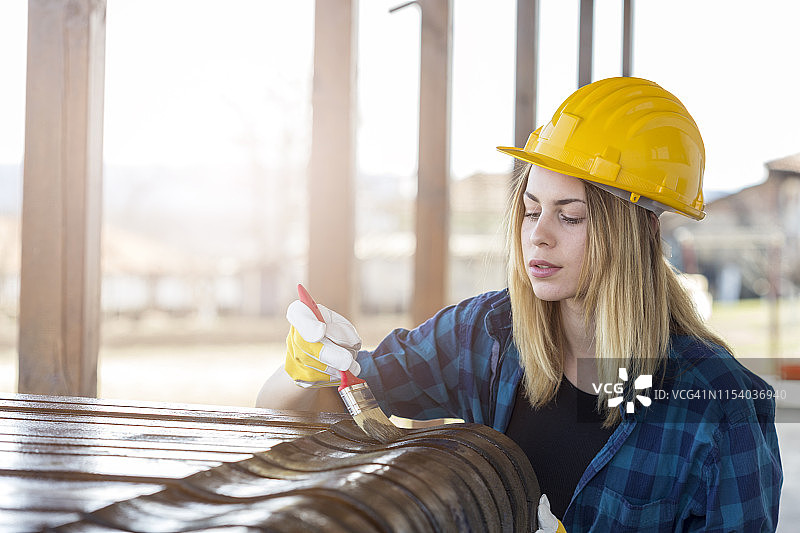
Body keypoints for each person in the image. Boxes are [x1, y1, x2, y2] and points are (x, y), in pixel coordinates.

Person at [257, 77, 782, 532]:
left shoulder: (720, 407)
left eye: (570, 216)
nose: (539, 237)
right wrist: (306, 367)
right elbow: (289, 408)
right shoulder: (483, 336)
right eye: (531, 211)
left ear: (639, 232)